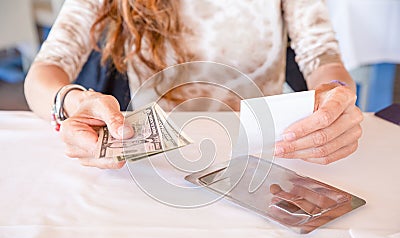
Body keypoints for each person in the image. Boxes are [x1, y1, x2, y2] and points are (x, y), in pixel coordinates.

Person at [24, 0, 363, 169]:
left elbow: (324, 60)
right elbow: (44, 73)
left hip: (263, 159)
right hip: (152, 165)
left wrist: (334, 95)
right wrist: (72, 102)